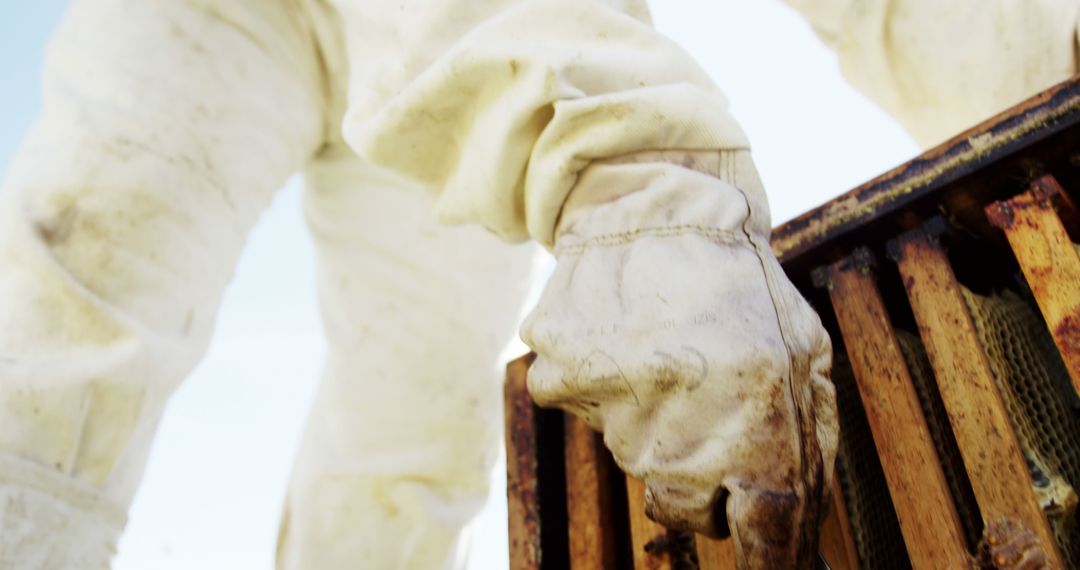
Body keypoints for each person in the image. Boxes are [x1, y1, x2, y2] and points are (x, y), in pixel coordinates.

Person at [0, 0, 1075, 568]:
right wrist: (640, 182)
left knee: (410, 438)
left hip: (447, 94)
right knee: (68, 310)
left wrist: (1042, 63)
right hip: (202, 22)